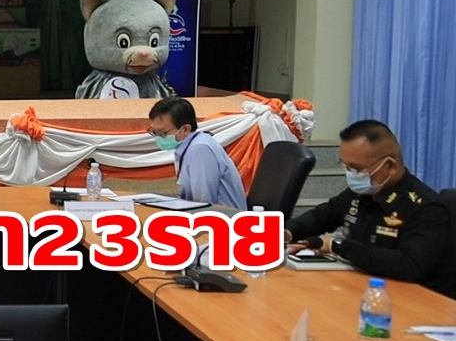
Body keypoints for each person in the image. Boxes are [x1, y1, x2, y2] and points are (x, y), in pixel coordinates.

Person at [287, 119, 453, 297]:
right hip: (364, 287)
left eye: (357, 169)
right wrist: (287, 232)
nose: (351, 174)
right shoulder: (362, 193)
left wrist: (338, 246)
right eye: (346, 166)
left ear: (390, 166)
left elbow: (409, 265)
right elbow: (322, 216)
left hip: (412, 299)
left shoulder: (426, 207)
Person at [148, 97, 247, 209]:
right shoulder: (188, 146)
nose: (158, 138)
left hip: (224, 217)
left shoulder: (200, 149)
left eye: (162, 133)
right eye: (154, 132)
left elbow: (203, 203)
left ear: (185, 129)